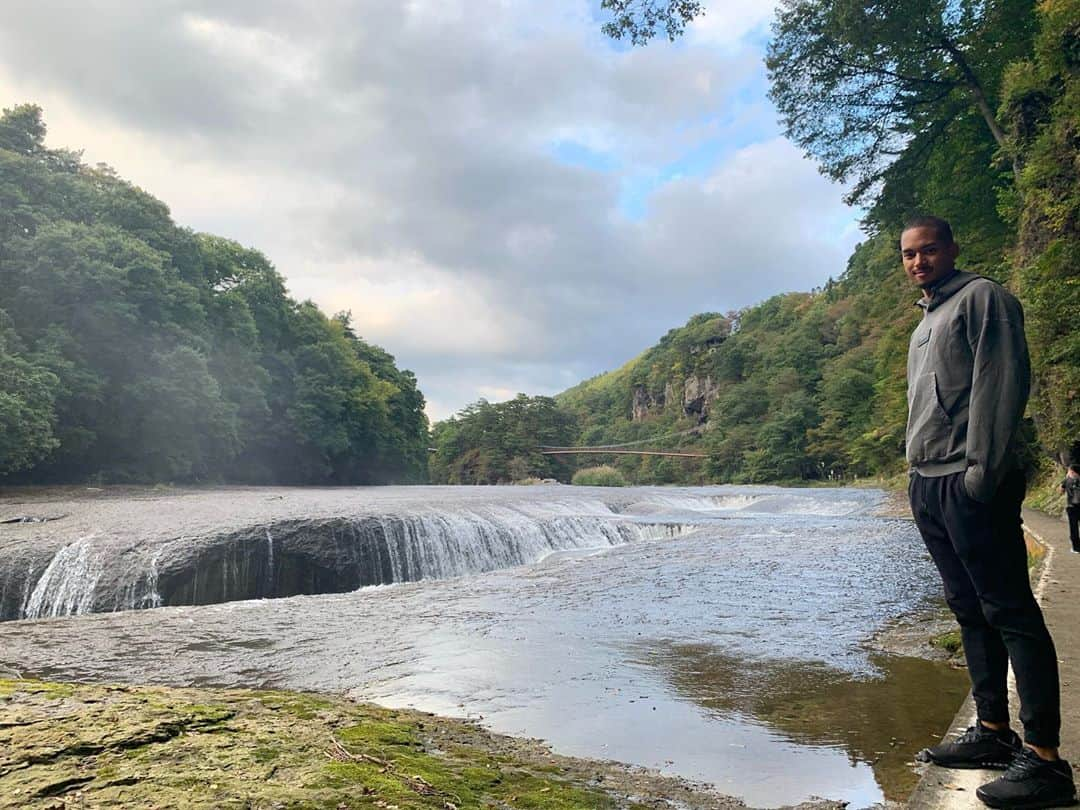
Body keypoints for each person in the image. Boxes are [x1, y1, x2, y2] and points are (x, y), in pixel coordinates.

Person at [902, 216, 1076, 808]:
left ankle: (1047, 761)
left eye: (928, 251)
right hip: (928, 482)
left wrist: (981, 472)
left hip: (968, 479)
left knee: (1009, 609)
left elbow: (1001, 385)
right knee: (969, 609)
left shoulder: (984, 299)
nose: (918, 262)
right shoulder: (926, 320)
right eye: (909, 255)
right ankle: (993, 733)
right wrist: (915, 478)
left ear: (952, 248)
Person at [1061, 465, 1080, 553]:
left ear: (1072, 471)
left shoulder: (1067, 480)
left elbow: (1061, 491)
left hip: (1071, 506)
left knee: (1074, 527)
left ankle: (1076, 548)